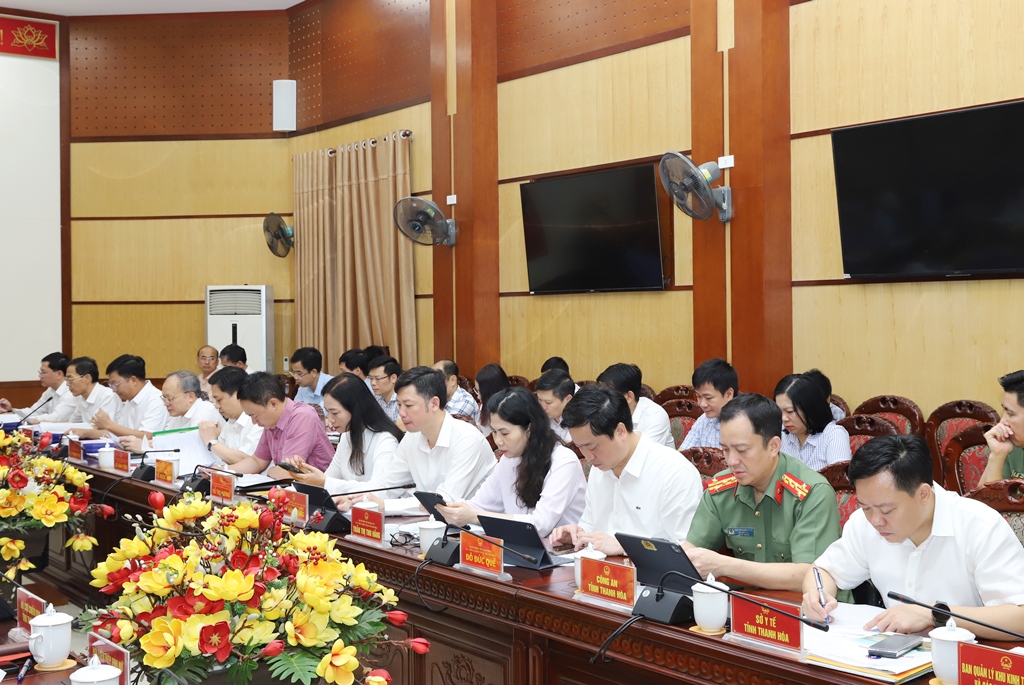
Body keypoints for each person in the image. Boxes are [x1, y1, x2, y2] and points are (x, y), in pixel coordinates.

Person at [802, 435, 1024, 639]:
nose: (876, 520)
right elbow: (822, 571)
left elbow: (1019, 618)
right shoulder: (864, 523)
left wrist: (933, 614)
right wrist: (816, 596)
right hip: (893, 655)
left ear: (923, 494)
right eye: (865, 507)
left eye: (887, 510)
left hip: (968, 659)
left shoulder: (981, 526)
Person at [684, 393, 841, 591]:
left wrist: (724, 565)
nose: (731, 461)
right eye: (725, 450)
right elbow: (691, 550)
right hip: (747, 602)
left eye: (742, 450)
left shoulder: (812, 493)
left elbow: (812, 576)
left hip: (807, 606)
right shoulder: (721, 489)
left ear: (773, 446)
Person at [550, 385, 702, 556]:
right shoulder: (599, 468)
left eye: (592, 447)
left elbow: (686, 550)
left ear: (620, 431)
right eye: (580, 447)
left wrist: (625, 547)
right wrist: (579, 533)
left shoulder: (674, 472)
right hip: (601, 570)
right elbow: (592, 525)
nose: (588, 456)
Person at [339, 367, 494, 515]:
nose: (401, 413)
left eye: (408, 405)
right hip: (429, 524)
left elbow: (444, 501)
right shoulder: (412, 437)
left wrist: (384, 505)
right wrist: (354, 498)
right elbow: (387, 485)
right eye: (399, 405)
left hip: (473, 529)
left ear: (434, 403)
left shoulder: (467, 439)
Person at [436, 387, 587, 537]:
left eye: (505, 433)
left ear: (529, 428)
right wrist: (449, 507)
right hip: (517, 546)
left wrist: (475, 516)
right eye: (494, 432)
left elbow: (539, 525)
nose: (498, 441)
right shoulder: (508, 460)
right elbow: (480, 505)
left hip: (560, 550)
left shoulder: (563, 462)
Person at [283, 373, 405, 496]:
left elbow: (379, 490)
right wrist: (305, 473)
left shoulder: (385, 440)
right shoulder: (346, 437)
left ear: (355, 409)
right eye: (328, 412)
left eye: (335, 413)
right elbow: (329, 479)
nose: (330, 419)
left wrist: (324, 482)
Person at [229, 372, 334, 479]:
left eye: (255, 416)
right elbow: (257, 461)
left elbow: (288, 473)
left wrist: (270, 470)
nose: (254, 422)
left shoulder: (303, 417)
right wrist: (224, 470)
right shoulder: (271, 421)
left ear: (273, 404)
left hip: (320, 486)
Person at [773, 373, 851, 471]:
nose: (784, 418)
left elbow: (838, 478)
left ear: (810, 408)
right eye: (779, 411)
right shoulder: (780, 434)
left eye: (790, 411)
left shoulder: (834, 435)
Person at [198, 366, 264, 467]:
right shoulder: (231, 421)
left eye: (219, 400)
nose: (217, 405)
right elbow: (221, 457)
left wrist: (211, 441)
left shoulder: (258, 420)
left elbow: (247, 460)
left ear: (238, 394)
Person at [597, 362, 674, 449]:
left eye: (608, 394)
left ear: (629, 397)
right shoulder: (606, 412)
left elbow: (644, 453)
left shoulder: (655, 415)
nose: (602, 399)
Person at [89, 355, 168, 439]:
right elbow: (121, 432)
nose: (114, 390)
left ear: (133, 380)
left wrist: (109, 424)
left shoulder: (156, 399)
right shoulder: (130, 399)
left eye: (115, 384)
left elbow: (147, 437)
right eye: (111, 385)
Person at [0, 352, 76, 424]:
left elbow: (55, 418)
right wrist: (11, 410)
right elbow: (34, 411)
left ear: (59, 374)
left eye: (44, 372)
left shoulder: (71, 392)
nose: (40, 376)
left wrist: (25, 419)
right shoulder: (50, 390)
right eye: (40, 372)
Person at [680, 357, 738, 450]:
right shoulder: (704, 420)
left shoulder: (746, 424)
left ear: (728, 394)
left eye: (708, 398)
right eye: (698, 396)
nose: (702, 404)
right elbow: (681, 455)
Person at [979, 370, 1024, 484]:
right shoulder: (1012, 446)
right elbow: (980, 495)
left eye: (1010, 414)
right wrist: (997, 455)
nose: (1002, 421)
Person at [65, 357, 120, 426]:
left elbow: (101, 428)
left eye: (70, 379)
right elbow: (72, 423)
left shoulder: (107, 396)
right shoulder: (83, 398)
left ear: (87, 378)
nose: (67, 384)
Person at [432, 359, 480, 423]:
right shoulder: (436, 397)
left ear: (453, 380)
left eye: (437, 379)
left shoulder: (465, 401)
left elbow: (445, 426)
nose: (433, 383)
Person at [533, 369, 574, 443]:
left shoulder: (578, 422)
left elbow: (570, 447)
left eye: (548, 402)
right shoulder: (539, 415)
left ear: (568, 399)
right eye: (540, 400)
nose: (542, 407)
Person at [475, 363, 511, 436]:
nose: (478, 397)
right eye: (476, 391)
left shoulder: (506, 412)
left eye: (480, 392)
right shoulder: (484, 405)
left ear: (489, 392)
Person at [368, 355, 402, 422]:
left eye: (378, 378)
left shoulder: (402, 401)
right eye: (371, 378)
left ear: (393, 378)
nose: (373, 383)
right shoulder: (375, 399)